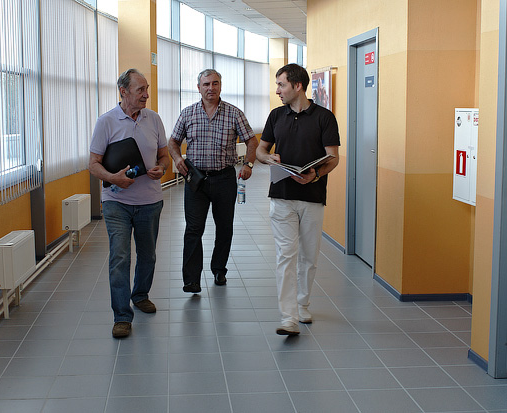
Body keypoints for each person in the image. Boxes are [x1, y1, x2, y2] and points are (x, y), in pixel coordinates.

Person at [256, 63, 340, 336]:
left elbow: (333, 157)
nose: (277, 90)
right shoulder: (276, 115)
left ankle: (303, 304)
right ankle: (288, 317)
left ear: (298, 86)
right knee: (285, 256)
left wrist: (316, 175)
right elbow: (260, 150)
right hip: (281, 195)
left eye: (281, 85)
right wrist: (268, 158)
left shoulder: (324, 117)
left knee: (309, 257)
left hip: (312, 196)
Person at [89, 69, 169, 338]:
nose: (146, 95)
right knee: (120, 257)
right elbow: (93, 164)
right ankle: (122, 316)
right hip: (116, 202)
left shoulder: (154, 119)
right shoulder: (106, 122)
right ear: (123, 91)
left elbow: (164, 156)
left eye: (147, 89)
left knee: (148, 255)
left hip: (150, 201)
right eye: (140, 90)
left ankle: (140, 295)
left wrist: (161, 168)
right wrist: (113, 178)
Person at [169, 69, 258, 293]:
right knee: (193, 229)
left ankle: (219, 269)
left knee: (224, 227)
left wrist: (248, 164)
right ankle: (191, 280)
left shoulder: (234, 113)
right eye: (206, 84)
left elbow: (252, 141)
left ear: (220, 86)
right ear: (198, 88)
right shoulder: (188, 113)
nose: (211, 88)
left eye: (215, 83)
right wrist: (178, 158)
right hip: (196, 180)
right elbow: (173, 141)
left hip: (224, 179)